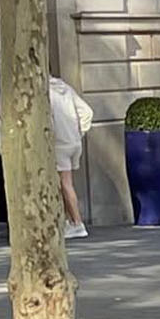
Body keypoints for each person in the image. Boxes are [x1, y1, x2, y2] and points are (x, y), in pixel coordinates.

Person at [49, 74, 95, 238]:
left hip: (59, 143)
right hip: (73, 142)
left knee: (65, 184)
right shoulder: (65, 88)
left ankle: (77, 223)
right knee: (66, 183)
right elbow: (87, 112)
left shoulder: (45, 92)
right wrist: (78, 132)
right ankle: (69, 221)